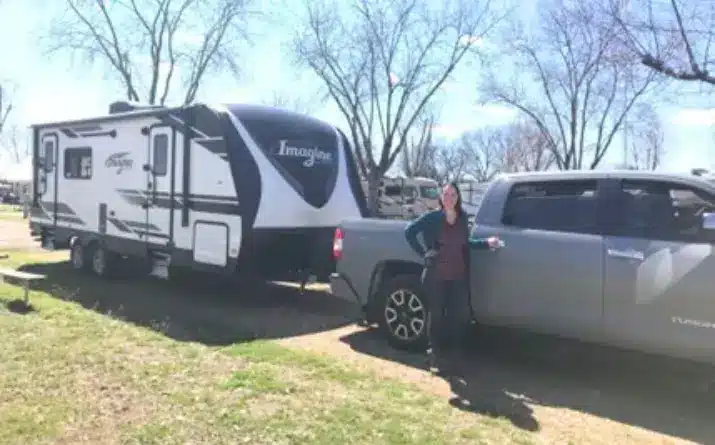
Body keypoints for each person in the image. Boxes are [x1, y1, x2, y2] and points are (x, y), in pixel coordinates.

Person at [404, 182, 502, 376]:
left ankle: (455, 358)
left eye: (453, 195)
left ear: (458, 198)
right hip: (436, 276)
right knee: (437, 316)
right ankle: (436, 357)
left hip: (457, 276)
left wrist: (486, 243)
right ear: (441, 198)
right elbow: (409, 232)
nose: (449, 198)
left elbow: (466, 243)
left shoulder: (462, 218)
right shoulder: (433, 217)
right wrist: (424, 253)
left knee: (458, 317)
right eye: (446, 194)